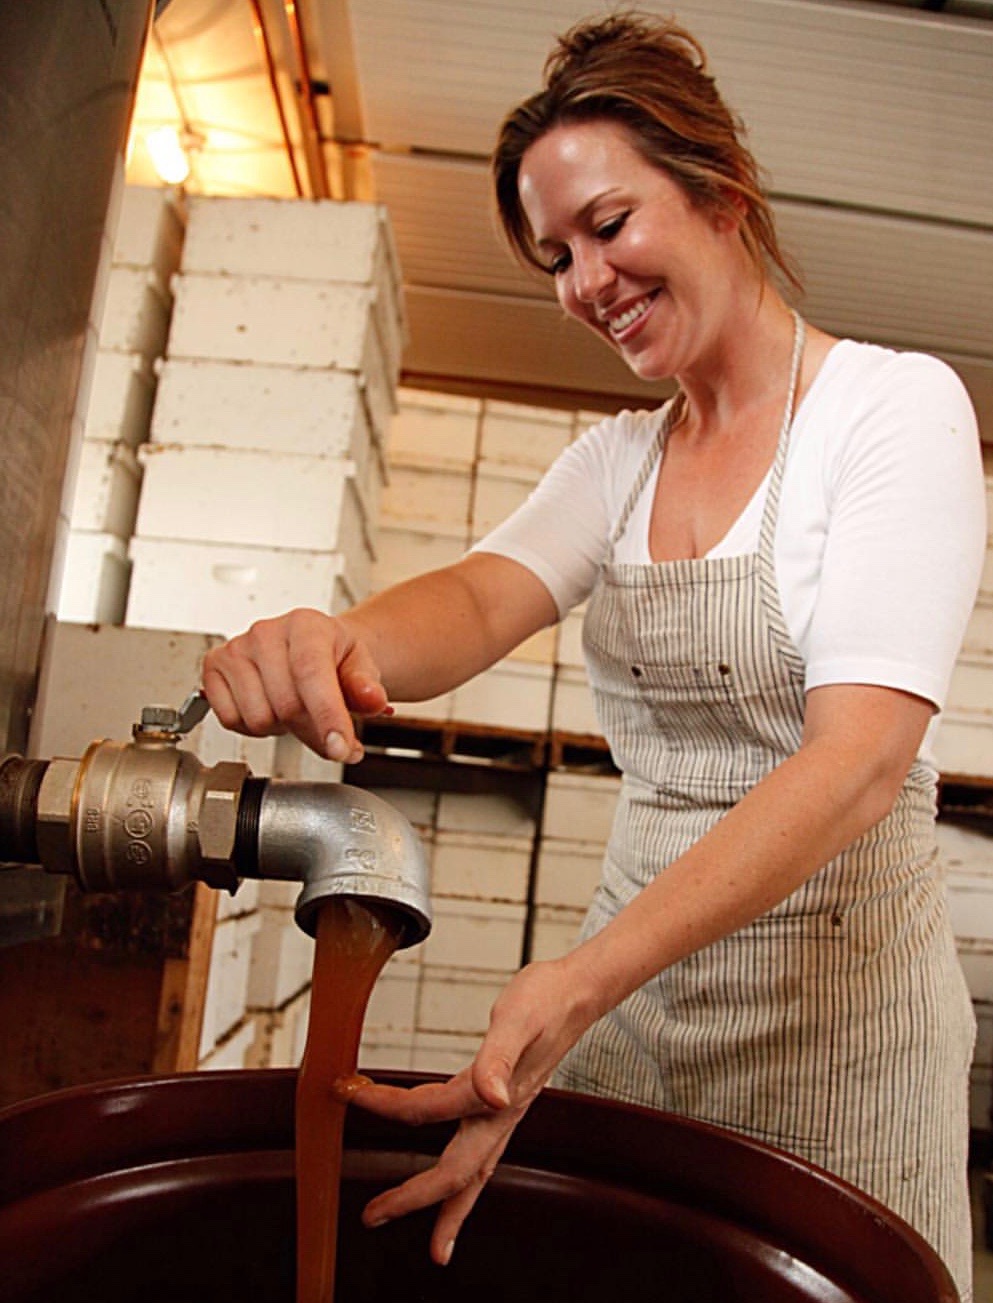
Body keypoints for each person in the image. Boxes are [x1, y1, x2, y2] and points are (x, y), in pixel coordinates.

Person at [201, 13, 987, 1298]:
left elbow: (858, 762)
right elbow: (469, 600)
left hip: (839, 1029)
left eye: (609, 227)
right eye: (555, 257)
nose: (583, 283)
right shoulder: (615, 462)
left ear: (722, 193)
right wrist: (328, 639)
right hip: (632, 1016)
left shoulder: (888, 411)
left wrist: (577, 979)